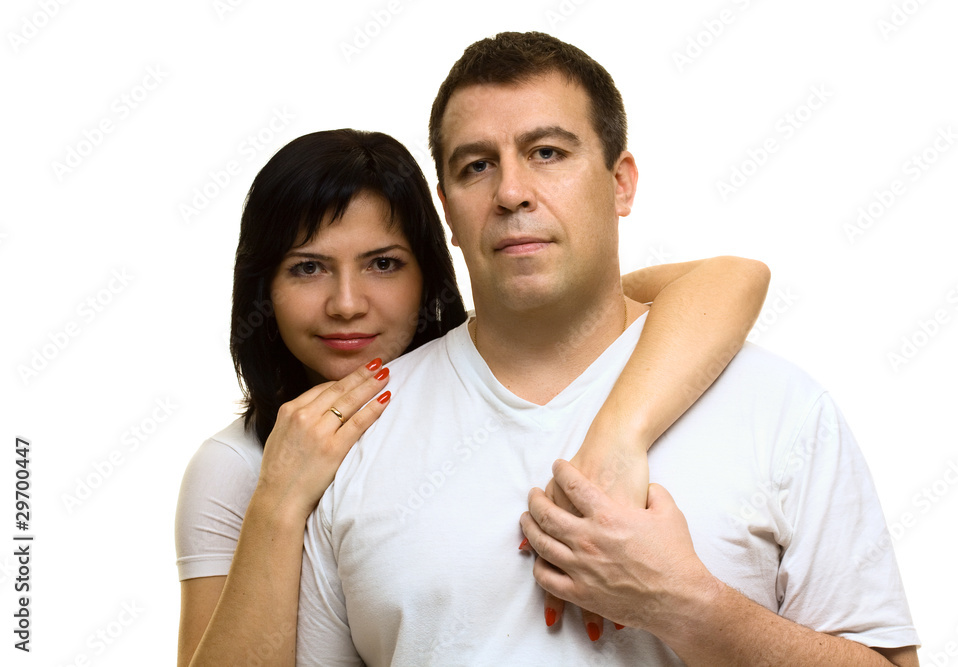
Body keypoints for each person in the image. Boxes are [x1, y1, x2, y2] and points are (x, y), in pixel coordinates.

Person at [295, 32, 920, 665]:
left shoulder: (777, 406)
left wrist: (687, 605)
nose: (511, 192)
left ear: (621, 184)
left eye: (547, 152)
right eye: (477, 166)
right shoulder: (358, 433)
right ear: (448, 212)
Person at [174, 128, 771, 665]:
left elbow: (729, 278)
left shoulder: (472, 391)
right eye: (308, 268)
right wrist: (279, 499)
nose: (347, 304)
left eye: (383, 264)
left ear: (428, 273)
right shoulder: (236, 465)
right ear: (263, 288)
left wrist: (620, 433)